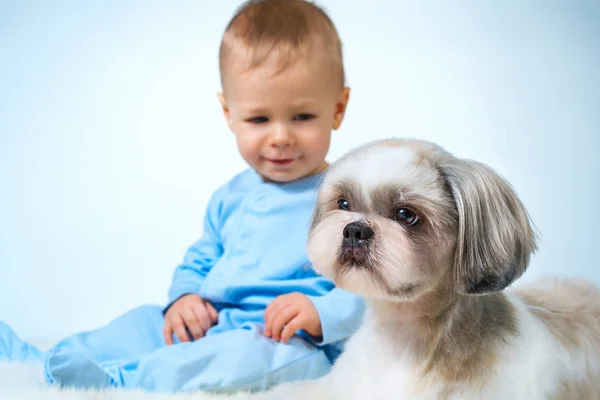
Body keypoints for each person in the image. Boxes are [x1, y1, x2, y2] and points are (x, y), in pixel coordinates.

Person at [0, 0, 365, 394]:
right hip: (215, 319)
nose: (280, 136)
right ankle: (41, 360)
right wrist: (186, 298)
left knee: (241, 358)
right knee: (144, 322)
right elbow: (202, 257)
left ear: (338, 108)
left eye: (302, 117)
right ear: (229, 114)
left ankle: (120, 381)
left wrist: (322, 314)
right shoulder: (231, 196)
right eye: (259, 119)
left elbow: (374, 284)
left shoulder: (346, 197)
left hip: (286, 339)